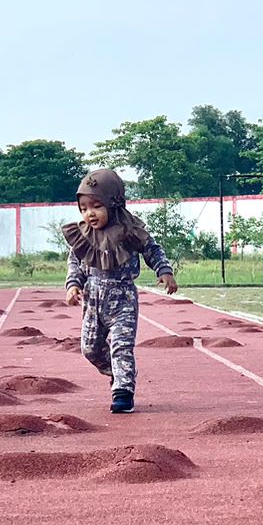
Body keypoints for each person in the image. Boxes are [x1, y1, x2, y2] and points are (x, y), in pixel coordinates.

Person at [62, 169, 178, 413]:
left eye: (96, 206)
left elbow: (152, 250)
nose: (89, 213)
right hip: (93, 298)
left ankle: (123, 391)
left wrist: (164, 270)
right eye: (83, 208)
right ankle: (118, 371)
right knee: (90, 349)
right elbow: (76, 263)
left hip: (123, 297)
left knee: (121, 345)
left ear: (114, 203)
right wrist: (73, 285)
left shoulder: (129, 230)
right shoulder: (83, 234)